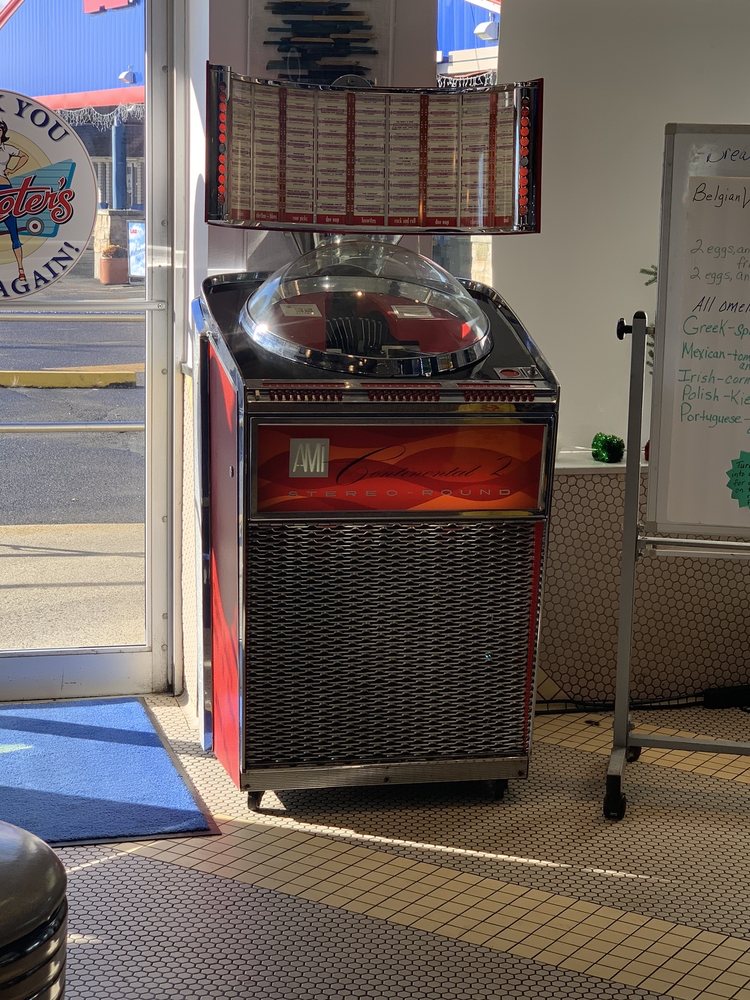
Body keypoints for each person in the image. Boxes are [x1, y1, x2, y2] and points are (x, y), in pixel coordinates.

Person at [0, 120, 29, 281]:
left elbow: (25, 156)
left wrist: (13, 169)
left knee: (13, 231)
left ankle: (21, 269)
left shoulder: (7, 149)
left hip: (5, 189)